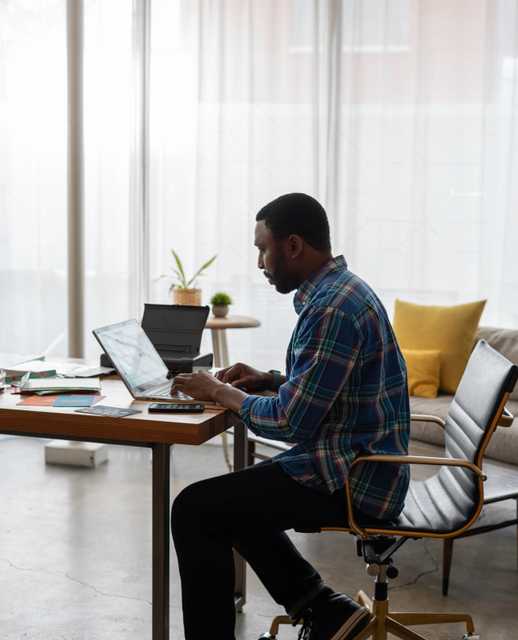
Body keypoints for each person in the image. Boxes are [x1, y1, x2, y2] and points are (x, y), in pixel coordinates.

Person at [171, 193, 410, 640]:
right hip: (358, 461)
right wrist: (271, 379)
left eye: (263, 248)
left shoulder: (331, 308)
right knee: (230, 502)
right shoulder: (341, 291)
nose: (261, 262)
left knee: (195, 509)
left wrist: (219, 391)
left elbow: (290, 423)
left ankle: (318, 606)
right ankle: (323, 609)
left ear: (294, 245)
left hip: (357, 478)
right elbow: (329, 390)